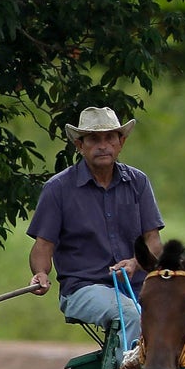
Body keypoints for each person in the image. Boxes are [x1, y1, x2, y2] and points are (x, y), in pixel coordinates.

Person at [26, 106, 165, 328]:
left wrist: (135, 263)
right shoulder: (58, 188)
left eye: (110, 137)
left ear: (121, 143)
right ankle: (132, 364)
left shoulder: (138, 182)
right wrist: (41, 273)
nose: (103, 146)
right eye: (93, 139)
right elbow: (43, 246)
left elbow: (154, 243)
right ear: (80, 145)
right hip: (82, 288)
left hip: (139, 285)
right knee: (129, 315)